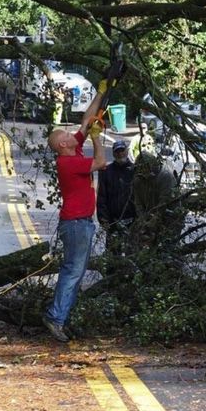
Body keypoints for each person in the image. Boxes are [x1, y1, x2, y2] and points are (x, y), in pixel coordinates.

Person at [42, 82, 108, 342]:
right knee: (73, 271)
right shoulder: (68, 162)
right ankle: (55, 317)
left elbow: (85, 120)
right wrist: (97, 138)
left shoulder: (73, 149)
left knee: (75, 271)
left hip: (79, 222)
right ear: (61, 146)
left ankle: (61, 316)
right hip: (77, 224)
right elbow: (101, 162)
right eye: (65, 137)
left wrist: (101, 92)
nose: (71, 135)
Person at [96, 139, 136, 256]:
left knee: (133, 254)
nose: (120, 154)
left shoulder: (135, 170)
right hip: (113, 222)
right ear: (114, 153)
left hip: (132, 221)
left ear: (127, 151)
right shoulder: (107, 171)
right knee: (113, 255)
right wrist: (103, 219)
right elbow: (101, 197)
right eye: (117, 151)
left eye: (122, 151)